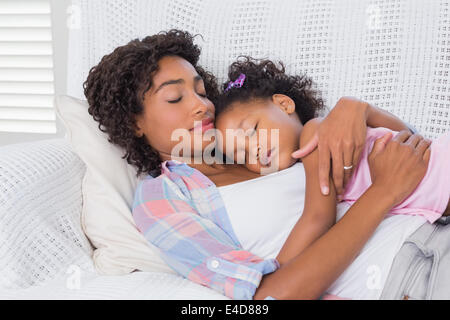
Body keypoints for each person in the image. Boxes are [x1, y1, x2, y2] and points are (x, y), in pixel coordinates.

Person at [83, 29, 432, 300]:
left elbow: (406, 160)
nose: (201, 106)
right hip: (408, 274)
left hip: (431, 219)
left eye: (202, 92)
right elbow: (267, 297)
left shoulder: (258, 147)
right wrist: (382, 195)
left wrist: (356, 109)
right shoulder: (161, 197)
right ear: (135, 123)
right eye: (175, 97)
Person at [213, 57, 449, 263]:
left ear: (284, 104)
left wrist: (275, 272)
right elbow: (408, 136)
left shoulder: (313, 136)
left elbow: (318, 217)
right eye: (241, 155)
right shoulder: (300, 169)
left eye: (253, 130)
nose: (253, 149)